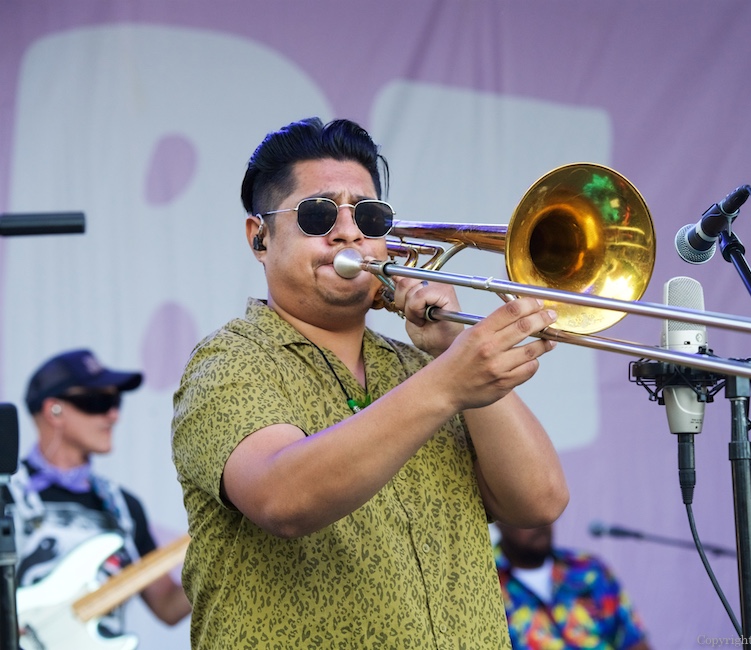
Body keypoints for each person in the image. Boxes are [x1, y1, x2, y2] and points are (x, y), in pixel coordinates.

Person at [171, 116, 569, 648]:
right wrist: (448, 382)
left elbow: (538, 502)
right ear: (259, 237)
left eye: (369, 215)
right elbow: (282, 497)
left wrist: (452, 347)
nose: (348, 231)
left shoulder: (423, 369)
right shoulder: (230, 361)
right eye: (316, 215)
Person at [3, 348, 191, 645]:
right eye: (98, 402)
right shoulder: (6, 496)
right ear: (54, 410)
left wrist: (228, 558)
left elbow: (167, 606)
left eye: (115, 401)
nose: (113, 415)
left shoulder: (124, 508)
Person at [495, 521, 653, 650]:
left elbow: (633, 641)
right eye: (526, 511)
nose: (539, 521)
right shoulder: (485, 587)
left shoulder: (588, 568)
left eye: (546, 511)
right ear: (497, 518)